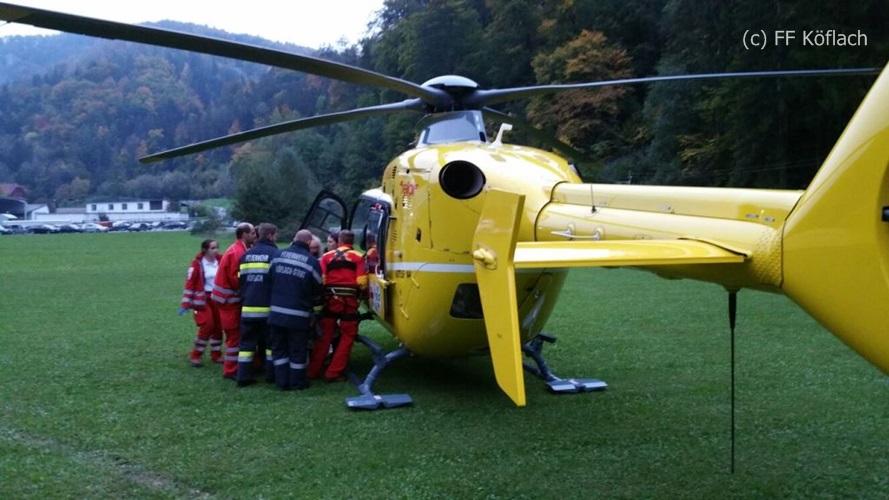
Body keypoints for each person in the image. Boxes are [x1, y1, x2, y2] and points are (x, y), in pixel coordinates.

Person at [308, 229, 367, 382]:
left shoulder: (326, 257)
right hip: (349, 303)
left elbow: (322, 279)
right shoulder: (359, 257)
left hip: (331, 301)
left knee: (324, 337)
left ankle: (312, 371)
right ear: (352, 242)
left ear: (339, 241)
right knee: (347, 336)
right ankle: (333, 372)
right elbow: (361, 282)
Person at [267, 230, 322, 390]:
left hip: (276, 313)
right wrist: (316, 311)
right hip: (299, 315)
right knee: (297, 350)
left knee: (279, 349)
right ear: (309, 242)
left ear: (294, 239)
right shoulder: (312, 262)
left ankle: (281, 382)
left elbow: (269, 279)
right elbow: (318, 290)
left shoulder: (277, 255)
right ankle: (297, 382)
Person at [236, 223, 279, 386]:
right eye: (275, 235)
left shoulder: (246, 255)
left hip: (248, 308)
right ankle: (271, 375)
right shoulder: (275, 254)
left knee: (246, 345)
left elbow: (241, 281)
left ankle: (243, 376)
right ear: (270, 235)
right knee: (270, 344)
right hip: (268, 309)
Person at [212, 222, 256, 379]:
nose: (255, 235)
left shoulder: (237, 249)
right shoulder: (238, 253)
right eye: (252, 233)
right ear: (244, 234)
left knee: (234, 335)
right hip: (229, 301)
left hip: (226, 300)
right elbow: (236, 279)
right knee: (234, 336)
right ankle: (230, 370)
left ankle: (233, 366)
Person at [180, 239, 223, 367]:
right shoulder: (197, 264)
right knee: (207, 325)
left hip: (218, 298)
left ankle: (216, 354)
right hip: (202, 300)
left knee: (218, 327)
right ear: (205, 250)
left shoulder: (221, 260)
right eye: (213, 248)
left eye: (217, 247)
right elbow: (190, 283)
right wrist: (185, 304)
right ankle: (196, 355)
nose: (216, 250)